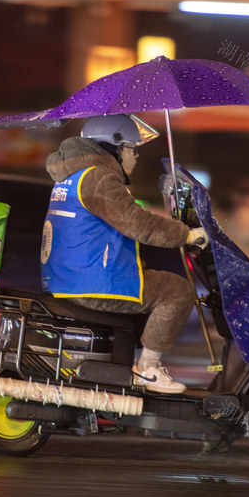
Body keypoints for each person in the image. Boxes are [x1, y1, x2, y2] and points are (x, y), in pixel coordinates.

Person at [40, 114, 208, 394]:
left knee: (150, 283)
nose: (137, 156)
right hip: (94, 283)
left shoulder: (72, 177)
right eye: (132, 148)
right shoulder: (98, 177)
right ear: (113, 147)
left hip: (68, 279)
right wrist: (187, 234)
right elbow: (137, 224)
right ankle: (149, 370)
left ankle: (132, 364)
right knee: (176, 291)